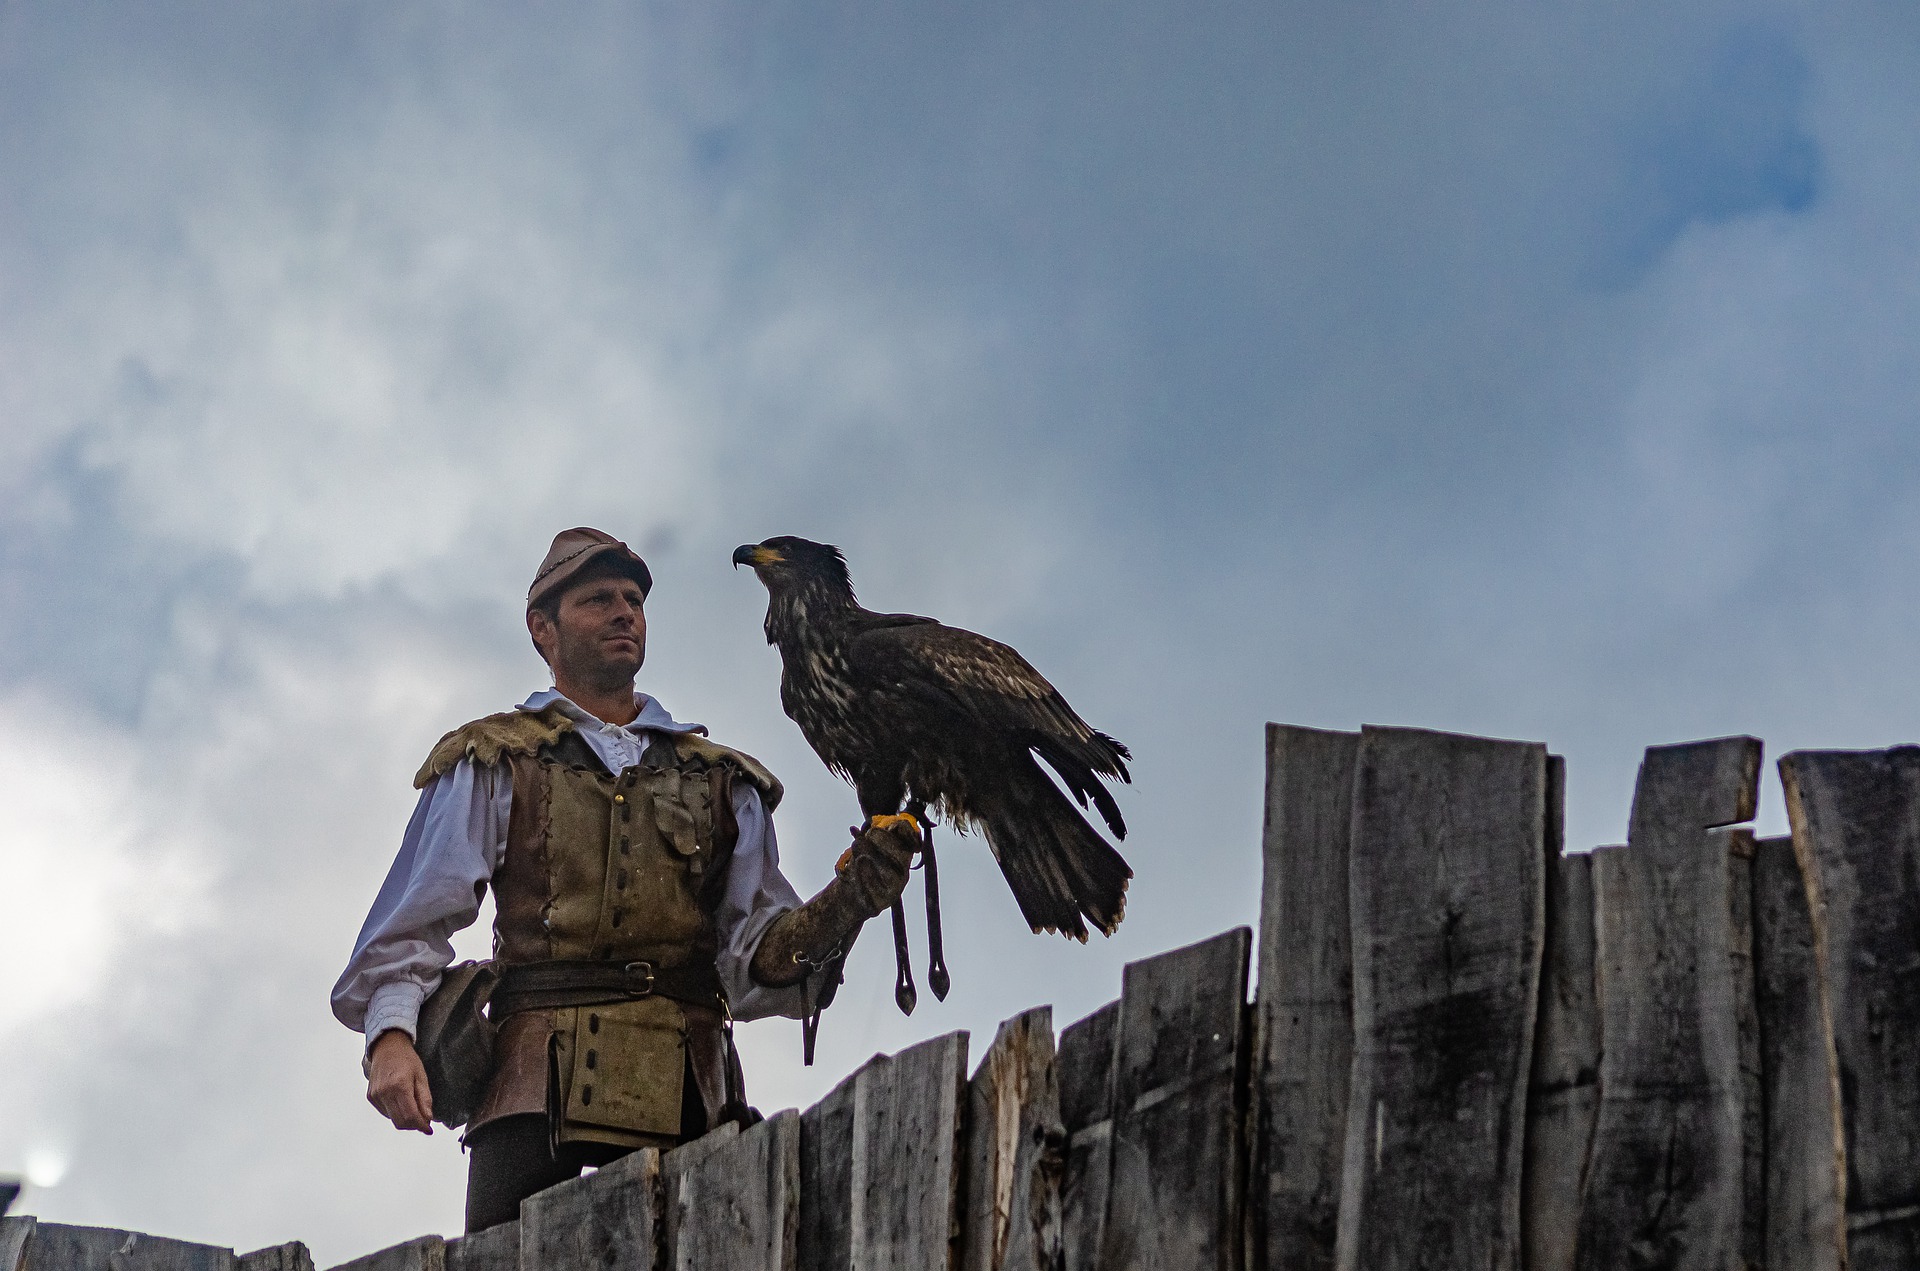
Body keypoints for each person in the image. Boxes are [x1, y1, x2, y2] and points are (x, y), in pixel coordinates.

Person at [331, 528, 917, 1232]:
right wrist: (390, 1038)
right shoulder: (494, 758)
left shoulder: (722, 780)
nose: (623, 612)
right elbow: (414, 920)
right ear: (542, 628)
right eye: (598, 599)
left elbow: (759, 957)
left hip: (687, 1091)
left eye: (634, 599)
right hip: (529, 1091)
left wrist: (847, 903)